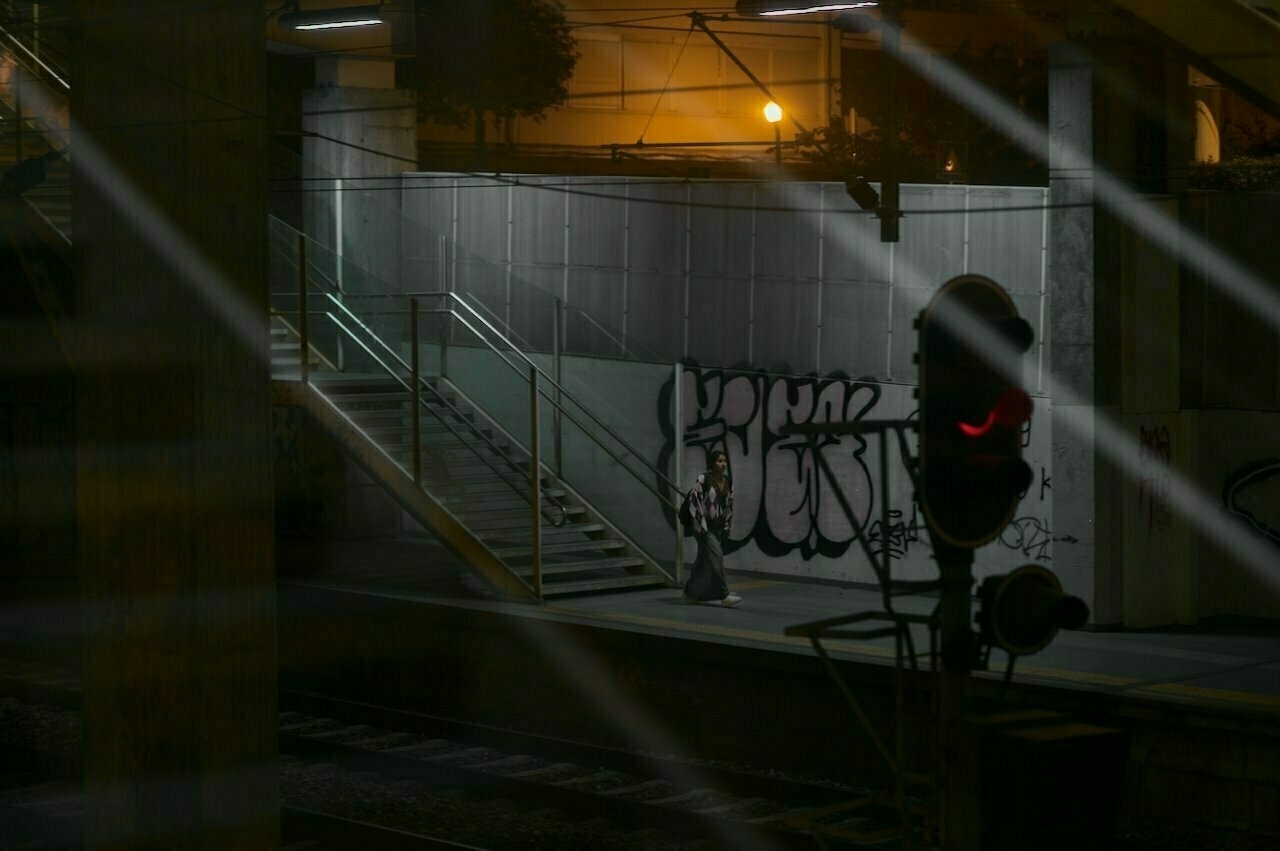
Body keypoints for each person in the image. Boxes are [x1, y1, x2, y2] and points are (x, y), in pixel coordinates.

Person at [682, 448, 741, 607]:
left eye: (724, 461)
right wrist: (701, 527)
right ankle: (724, 595)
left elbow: (729, 505)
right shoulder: (704, 478)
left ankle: (691, 593)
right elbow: (694, 501)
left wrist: (727, 526)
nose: (723, 464)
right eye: (719, 461)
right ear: (712, 463)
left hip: (717, 528)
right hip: (703, 527)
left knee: (704, 561)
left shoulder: (728, 481)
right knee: (717, 557)